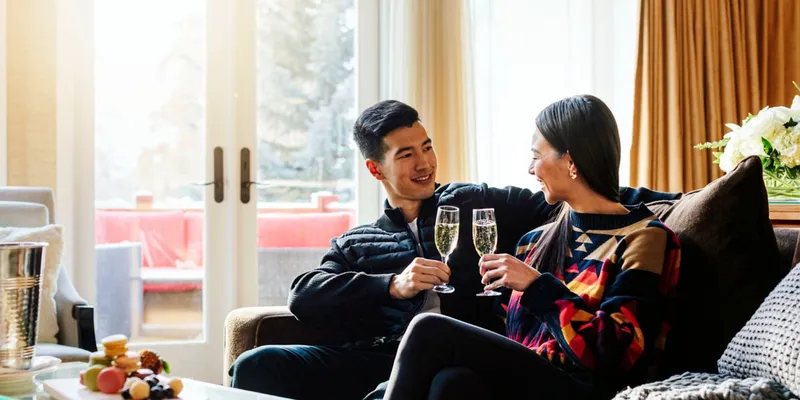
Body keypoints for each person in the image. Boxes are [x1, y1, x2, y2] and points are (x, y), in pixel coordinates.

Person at [228, 99, 680, 400]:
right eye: (406, 155)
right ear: (375, 168)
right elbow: (305, 294)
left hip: (464, 348)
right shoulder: (357, 240)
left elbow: (588, 191)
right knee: (257, 364)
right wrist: (391, 286)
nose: (424, 162)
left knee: (444, 363)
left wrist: (672, 202)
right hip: (376, 356)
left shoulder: (479, 203)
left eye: (426, 147)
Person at [382, 95, 682, 400]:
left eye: (536, 156)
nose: (530, 169)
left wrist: (538, 286)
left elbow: (616, 352)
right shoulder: (535, 242)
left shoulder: (643, 238)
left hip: (583, 386)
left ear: (570, 161)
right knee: (450, 383)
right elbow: (509, 337)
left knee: (429, 329)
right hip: (526, 380)